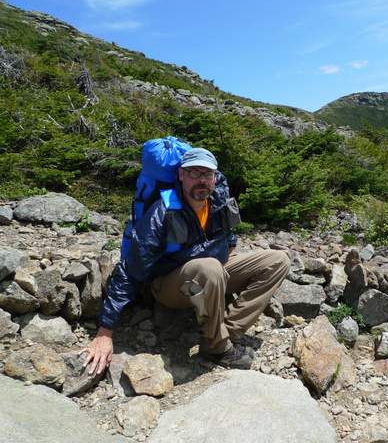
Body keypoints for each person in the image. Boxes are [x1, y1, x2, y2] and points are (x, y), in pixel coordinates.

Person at [81, 148, 290, 374]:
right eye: (194, 173)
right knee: (209, 268)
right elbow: (130, 271)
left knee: (278, 260)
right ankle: (215, 347)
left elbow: (229, 236)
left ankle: (225, 330)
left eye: (207, 174)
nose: (202, 180)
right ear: (181, 175)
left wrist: (228, 260)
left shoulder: (219, 201)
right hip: (170, 285)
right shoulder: (163, 212)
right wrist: (105, 331)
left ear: (215, 177)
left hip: (211, 272)